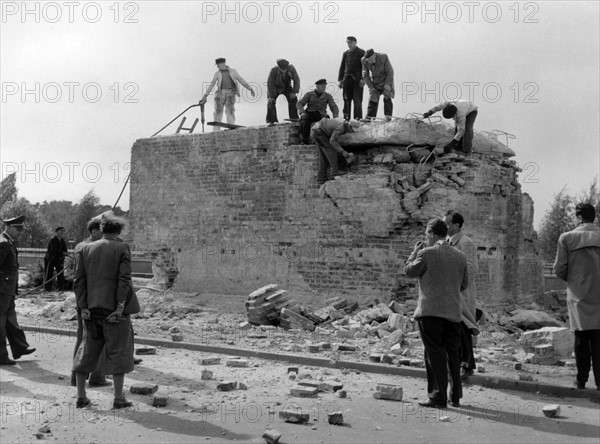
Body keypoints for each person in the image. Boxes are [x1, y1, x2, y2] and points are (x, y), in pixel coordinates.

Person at [73, 212, 140, 409]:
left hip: (91, 311)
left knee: (86, 351)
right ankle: (119, 398)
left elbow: (78, 281)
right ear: (119, 231)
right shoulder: (121, 248)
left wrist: (83, 307)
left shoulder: (84, 249)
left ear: (101, 230)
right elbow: (124, 280)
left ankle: (81, 396)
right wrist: (119, 307)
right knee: (119, 351)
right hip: (113, 313)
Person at [404, 218, 468, 408]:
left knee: (434, 355)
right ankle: (455, 396)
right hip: (453, 314)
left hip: (430, 312)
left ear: (431, 234)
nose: (426, 238)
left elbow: (409, 271)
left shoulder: (426, 253)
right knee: (452, 355)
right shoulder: (460, 256)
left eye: (426, 235)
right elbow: (464, 285)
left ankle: (437, 397)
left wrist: (414, 252)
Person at [553, 203, 600, 390]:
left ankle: (581, 381)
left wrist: (574, 280)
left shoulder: (567, 238)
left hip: (578, 295)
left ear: (578, 217)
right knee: (598, 339)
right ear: (594, 217)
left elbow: (559, 269)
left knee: (581, 339)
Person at [71, 217, 109, 387]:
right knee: (98, 338)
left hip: (82, 299)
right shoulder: (93, 248)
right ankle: (97, 377)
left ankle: (76, 378)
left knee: (83, 338)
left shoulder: (80, 246)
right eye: (101, 231)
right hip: (94, 300)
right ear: (94, 231)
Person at [445, 210, 479, 381]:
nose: (446, 227)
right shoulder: (447, 243)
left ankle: (467, 364)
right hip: (451, 293)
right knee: (455, 328)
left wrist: (458, 287)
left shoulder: (466, 243)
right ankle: (460, 363)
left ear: (457, 225)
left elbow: (471, 269)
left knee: (464, 327)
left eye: (448, 224)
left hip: (462, 293)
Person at [0, 215, 36, 365]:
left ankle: (19, 347)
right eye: (18, 229)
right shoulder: (3, 243)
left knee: (10, 320)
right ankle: (1, 356)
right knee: (1, 322)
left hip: (8, 289)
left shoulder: (8, 242)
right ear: (9, 227)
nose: (20, 232)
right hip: (2, 289)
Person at [199, 57, 256, 131]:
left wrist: (250, 88)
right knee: (218, 110)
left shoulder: (233, 71)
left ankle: (231, 125)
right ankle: (216, 128)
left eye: (218, 65)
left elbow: (241, 79)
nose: (218, 67)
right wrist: (205, 96)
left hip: (230, 93)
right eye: (217, 66)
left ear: (223, 64)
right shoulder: (217, 73)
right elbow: (211, 85)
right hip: (220, 93)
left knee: (230, 109)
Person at [310, 119, 357, 186]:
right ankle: (334, 172)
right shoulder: (340, 128)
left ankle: (321, 178)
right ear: (349, 126)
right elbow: (332, 141)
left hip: (316, 132)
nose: (351, 131)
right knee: (332, 152)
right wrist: (343, 151)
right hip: (320, 134)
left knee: (323, 157)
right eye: (351, 130)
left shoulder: (342, 122)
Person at [297, 79, 339, 144]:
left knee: (326, 122)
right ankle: (304, 140)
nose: (324, 88)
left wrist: (335, 117)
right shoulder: (309, 94)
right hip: (310, 113)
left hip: (321, 114)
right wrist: (302, 112)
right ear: (317, 86)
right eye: (322, 86)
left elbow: (333, 107)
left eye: (325, 86)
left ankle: (324, 141)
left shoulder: (328, 96)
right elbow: (299, 103)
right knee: (304, 120)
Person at [361, 48, 394, 119]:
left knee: (387, 94)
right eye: (368, 60)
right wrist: (371, 87)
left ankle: (388, 116)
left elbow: (390, 72)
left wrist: (387, 84)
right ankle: (369, 118)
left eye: (371, 59)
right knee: (373, 96)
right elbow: (365, 76)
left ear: (374, 55)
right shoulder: (363, 61)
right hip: (375, 81)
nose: (370, 62)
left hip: (386, 80)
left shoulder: (383, 57)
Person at [338, 36, 365, 121]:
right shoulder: (345, 53)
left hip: (357, 80)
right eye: (348, 43)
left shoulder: (361, 52)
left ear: (355, 42)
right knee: (346, 100)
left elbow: (364, 67)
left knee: (357, 101)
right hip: (346, 80)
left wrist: (363, 79)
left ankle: (357, 119)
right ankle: (346, 119)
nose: (349, 45)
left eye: (350, 42)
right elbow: (342, 67)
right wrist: (340, 80)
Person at [266, 59, 300, 125]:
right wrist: (271, 96)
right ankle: (272, 120)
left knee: (293, 99)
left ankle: (294, 118)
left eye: (285, 68)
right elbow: (270, 83)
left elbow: (297, 80)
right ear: (278, 67)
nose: (284, 70)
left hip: (287, 87)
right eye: (282, 69)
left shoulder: (292, 68)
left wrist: (294, 92)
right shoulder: (273, 70)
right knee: (270, 102)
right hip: (275, 88)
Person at [44, 226, 68, 291]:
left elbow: (65, 249)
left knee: (60, 274)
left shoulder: (62, 241)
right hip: (51, 259)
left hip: (59, 259)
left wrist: (65, 253)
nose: (62, 233)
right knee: (49, 273)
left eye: (63, 231)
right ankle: (47, 288)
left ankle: (61, 288)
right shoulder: (52, 240)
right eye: (61, 231)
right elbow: (54, 250)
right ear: (57, 232)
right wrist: (62, 252)